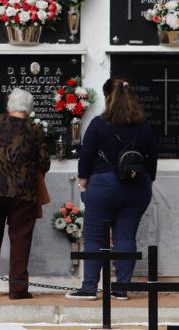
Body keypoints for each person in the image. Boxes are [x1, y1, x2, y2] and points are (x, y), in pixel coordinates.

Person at [66, 79, 157, 300]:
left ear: (108, 98)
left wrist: (84, 184)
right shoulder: (145, 126)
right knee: (126, 237)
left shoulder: (99, 124)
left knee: (95, 238)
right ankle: (121, 289)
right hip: (137, 187)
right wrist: (144, 182)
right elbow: (152, 162)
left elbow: (85, 157)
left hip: (103, 186)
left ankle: (89, 288)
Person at [0, 88, 50, 299]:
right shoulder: (35, 129)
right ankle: (17, 289)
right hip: (23, 191)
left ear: (9, 106)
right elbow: (44, 162)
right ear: (30, 109)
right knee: (20, 239)